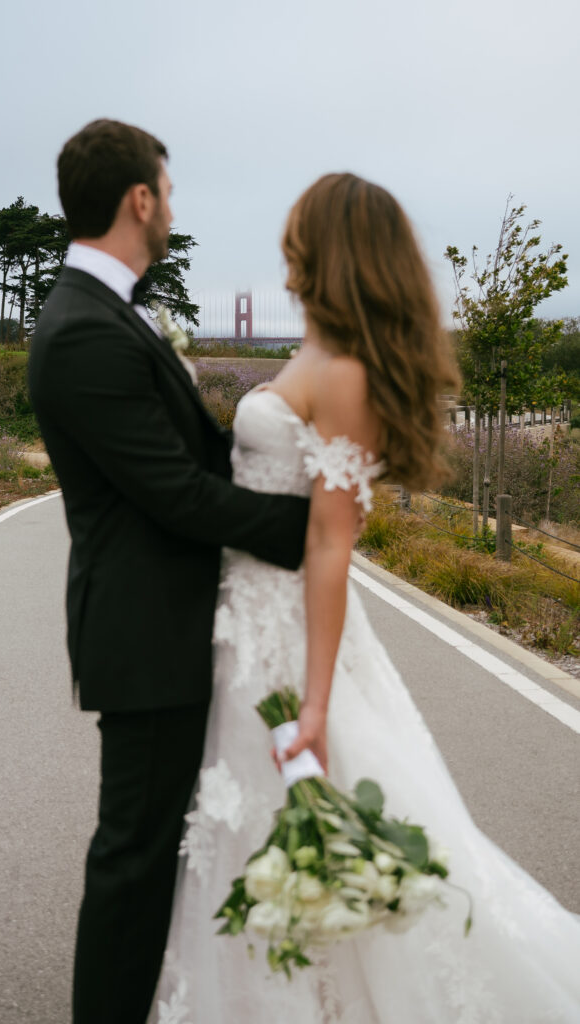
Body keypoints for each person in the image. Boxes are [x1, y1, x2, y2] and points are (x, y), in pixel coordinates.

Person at [148, 174, 580, 1022]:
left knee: (304, 822)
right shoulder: (322, 352)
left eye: (296, 238)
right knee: (257, 831)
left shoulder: (343, 374)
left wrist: (314, 701)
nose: (284, 255)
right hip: (242, 624)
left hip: (286, 637)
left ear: (330, 250)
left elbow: (330, 545)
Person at [27, 119, 312, 1024]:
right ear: (139, 199)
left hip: (169, 625)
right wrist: (309, 527)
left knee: (154, 854)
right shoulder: (83, 329)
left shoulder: (108, 311)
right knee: (133, 859)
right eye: (170, 191)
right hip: (144, 634)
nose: (174, 208)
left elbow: (196, 463)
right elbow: (176, 495)